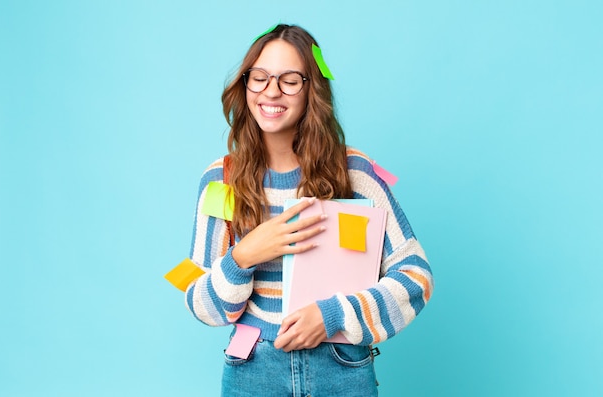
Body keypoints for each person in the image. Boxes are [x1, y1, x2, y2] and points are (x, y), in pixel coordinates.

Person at [185, 24, 433, 396]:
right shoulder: (221, 180)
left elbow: (416, 277)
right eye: (260, 77)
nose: (271, 90)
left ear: (311, 89)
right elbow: (201, 300)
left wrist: (332, 315)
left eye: (289, 80)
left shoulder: (354, 173)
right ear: (245, 83)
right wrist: (244, 255)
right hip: (253, 370)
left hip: (342, 364)